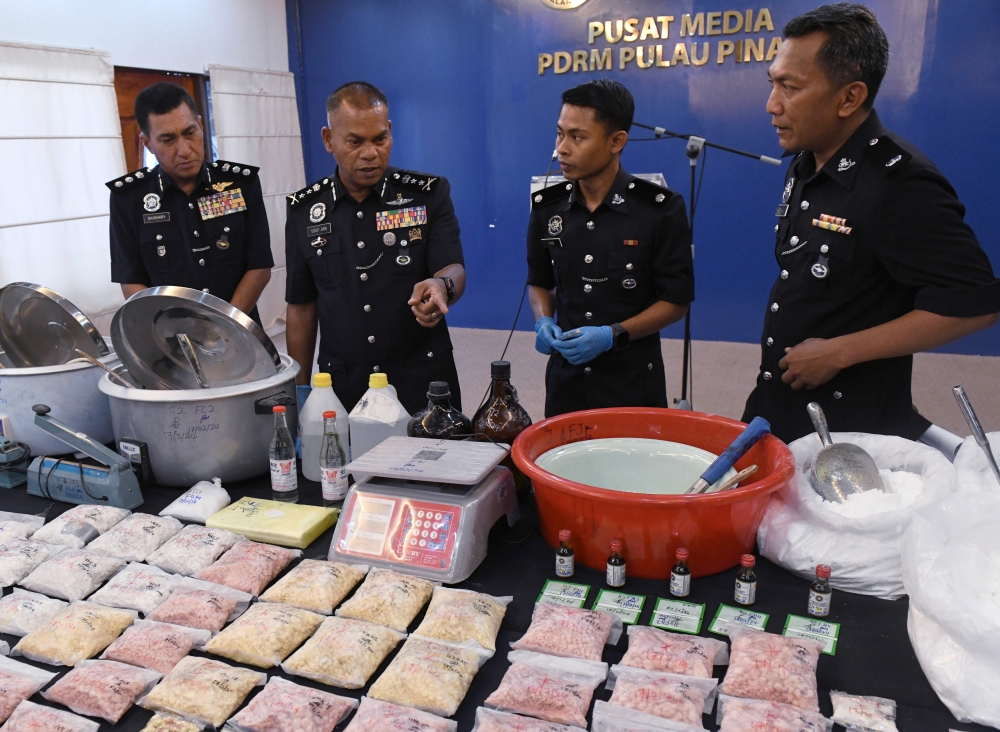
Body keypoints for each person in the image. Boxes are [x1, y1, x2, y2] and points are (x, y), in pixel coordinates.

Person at [742, 3, 1000, 443]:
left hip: (853, 433)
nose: (772, 105)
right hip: (778, 406)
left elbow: (975, 304)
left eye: (791, 87)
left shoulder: (898, 180)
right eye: (773, 83)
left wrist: (840, 352)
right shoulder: (805, 164)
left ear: (850, 97)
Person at [285, 81, 466, 415]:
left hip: (420, 376)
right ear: (328, 139)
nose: (370, 153)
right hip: (344, 384)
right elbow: (301, 305)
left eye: (380, 139)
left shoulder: (426, 195)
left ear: (391, 132)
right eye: (355, 142)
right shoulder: (305, 211)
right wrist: (297, 390)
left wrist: (442, 286)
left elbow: (453, 268)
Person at [526, 80, 694, 417]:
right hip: (566, 381)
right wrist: (543, 320)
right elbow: (540, 281)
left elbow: (675, 302)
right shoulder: (548, 207)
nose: (562, 148)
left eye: (578, 137)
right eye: (560, 134)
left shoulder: (659, 209)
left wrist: (611, 334)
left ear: (616, 141)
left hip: (631, 380)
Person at [107, 83, 273, 323]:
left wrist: (222, 327)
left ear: (201, 125)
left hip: (240, 330)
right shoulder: (129, 199)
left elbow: (259, 268)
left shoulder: (239, 184)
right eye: (168, 140)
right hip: (170, 339)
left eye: (190, 133)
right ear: (147, 143)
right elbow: (132, 281)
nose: (184, 150)